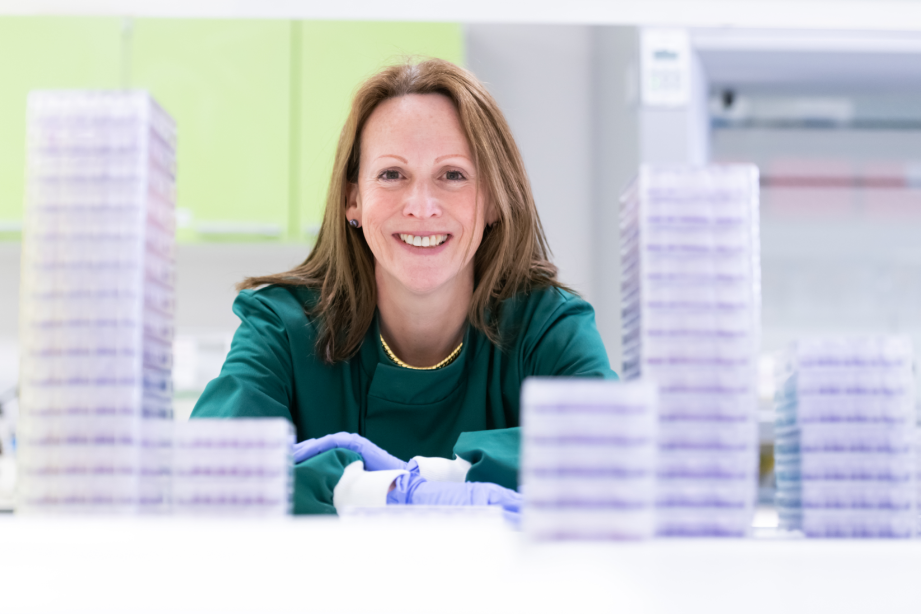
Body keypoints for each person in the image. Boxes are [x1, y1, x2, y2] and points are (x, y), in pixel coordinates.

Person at [191, 58, 617, 518]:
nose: (421, 206)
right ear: (353, 199)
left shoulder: (547, 327)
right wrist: (386, 491)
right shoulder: (282, 326)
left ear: (494, 199)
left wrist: (438, 481)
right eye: (392, 175)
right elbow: (213, 476)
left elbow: (613, 454)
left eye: (452, 175)